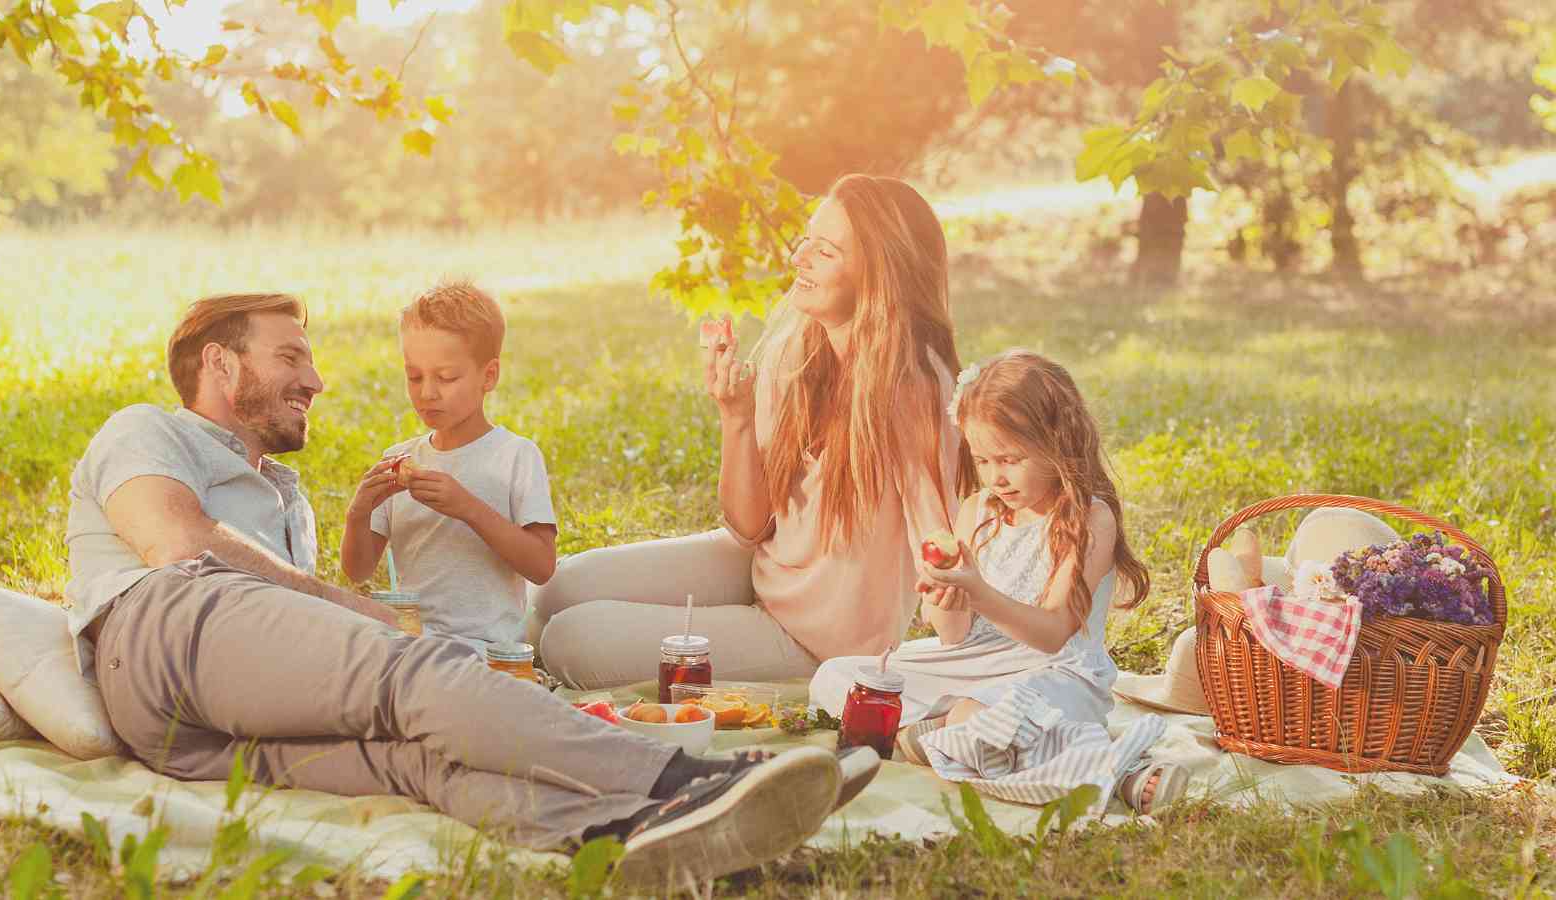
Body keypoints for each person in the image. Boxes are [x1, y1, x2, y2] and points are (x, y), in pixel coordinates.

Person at [63, 292, 855, 885]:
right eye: (291, 357)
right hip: (167, 625)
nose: (317, 379)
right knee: (414, 672)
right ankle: (691, 779)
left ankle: (635, 832)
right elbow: (175, 541)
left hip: (188, 736)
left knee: (416, 760)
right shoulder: (145, 428)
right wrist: (361, 613)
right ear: (221, 364)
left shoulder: (286, 496)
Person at [533, 174, 969, 687]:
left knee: (570, 640)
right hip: (759, 570)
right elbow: (749, 526)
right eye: (806, 239)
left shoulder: (913, 389)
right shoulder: (800, 353)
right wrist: (735, 415)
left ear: (880, 277)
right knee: (554, 590)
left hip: (814, 643)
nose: (799, 258)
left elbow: (944, 548)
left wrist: (960, 659)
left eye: (825, 251)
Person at [809, 349, 1190, 814]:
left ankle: (1119, 770)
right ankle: (956, 735)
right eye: (983, 460)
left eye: (1010, 459)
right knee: (840, 680)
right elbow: (954, 636)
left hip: (1056, 673)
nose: (996, 478)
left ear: (1057, 441)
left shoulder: (1089, 518)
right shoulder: (978, 510)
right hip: (978, 663)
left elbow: (1052, 634)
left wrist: (979, 592)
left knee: (984, 715)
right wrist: (946, 597)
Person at [340, 282, 557, 646]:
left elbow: (541, 566)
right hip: (413, 644)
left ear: (488, 376)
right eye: (414, 376)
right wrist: (358, 514)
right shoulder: (400, 459)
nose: (427, 393)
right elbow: (358, 570)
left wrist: (467, 507)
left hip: (489, 648)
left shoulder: (515, 456)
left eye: (446, 378)